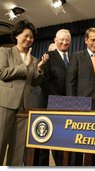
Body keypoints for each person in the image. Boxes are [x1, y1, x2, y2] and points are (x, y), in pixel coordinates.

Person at [0, 19, 49, 166]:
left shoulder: (34, 59)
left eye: (31, 37)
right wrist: (24, 66)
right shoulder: (4, 51)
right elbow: (2, 73)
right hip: (6, 103)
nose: (29, 39)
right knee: (1, 141)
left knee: (19, 148)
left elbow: (35, 82)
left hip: (25, 106)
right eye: (26, 35)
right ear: (16, 35)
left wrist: (39, 68)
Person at [66, 27, 95, 165]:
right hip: (80, 105)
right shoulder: (76, 56)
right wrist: (71, 105)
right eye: (92, 40)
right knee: (78, 140)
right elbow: (71, 82)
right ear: (86, 40)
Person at [34, 29, 72, 166]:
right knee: (43, 144)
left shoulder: (73, 58)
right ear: (55, 41)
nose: (64, 42)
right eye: (61, 39)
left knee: (60, 144)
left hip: (66, 108)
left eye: (67, 40)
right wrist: (58, 100)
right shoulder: (48, 56)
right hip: (48, 105)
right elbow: (44, 80)